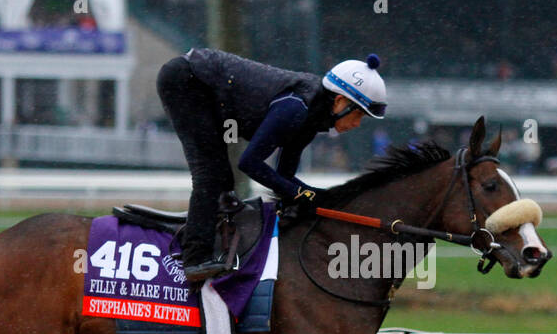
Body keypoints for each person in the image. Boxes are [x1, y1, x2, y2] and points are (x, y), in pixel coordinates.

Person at [156, 48, 386, 281]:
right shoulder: (296, 108)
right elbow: (250, 163)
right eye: (359, 115)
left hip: (205, 87)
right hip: (187, 80)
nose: (357, 124)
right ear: (340, 101)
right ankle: (194, 259)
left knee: (223, 179)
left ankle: (218, 245)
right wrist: (306, 195)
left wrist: (321, 198)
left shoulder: (312, 117)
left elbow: (283, 177)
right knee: (211, 175)